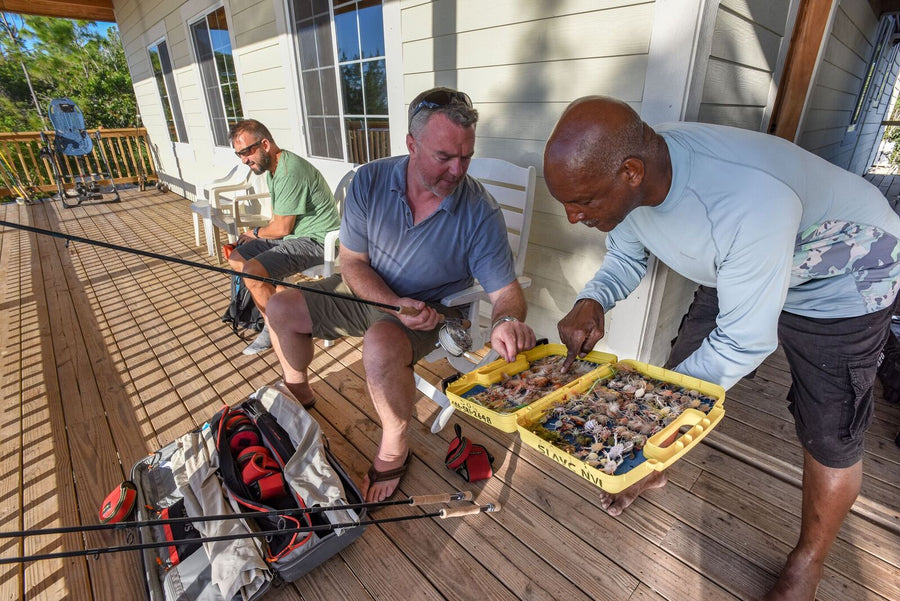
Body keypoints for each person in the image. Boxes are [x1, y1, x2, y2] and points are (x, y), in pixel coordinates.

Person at [543, 96, 900, 601]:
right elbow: (627, 249)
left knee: (830, 429)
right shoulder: (634, 168)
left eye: (582, 202)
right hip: (744, 262)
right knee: (679, 373)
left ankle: (809, 561)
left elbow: (746, 339)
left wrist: (651, 408)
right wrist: (593, 298)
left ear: (629, 173)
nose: (573, 216)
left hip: (845, 278)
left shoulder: (745, 200)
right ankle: (655, 467)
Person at [265, 87, 536, 502]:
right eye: (444, 157)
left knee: (380, 342)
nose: (458, 169)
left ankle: (395, 444)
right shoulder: (370, 180)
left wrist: (505, 321)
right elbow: (352, 263)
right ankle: (299, 389)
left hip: (432, 310)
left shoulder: (480, 211)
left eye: (466, 156)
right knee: (282, 305)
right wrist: (392, 303)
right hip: (368, 288)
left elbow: (507, 292)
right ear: (412, 144)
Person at [227, 120, 341, 355]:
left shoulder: (290, 171)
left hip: (317, 241)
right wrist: (255, 238)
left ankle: (274, 328)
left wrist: (256, 232)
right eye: (238, 154)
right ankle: (272, 311)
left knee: (252, 271)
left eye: (246, 152)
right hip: (295, 236)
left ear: (265, 144)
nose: (243, 160)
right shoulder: (273, 169)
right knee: (238, 256)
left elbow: (282, 228)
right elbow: (279, 222)